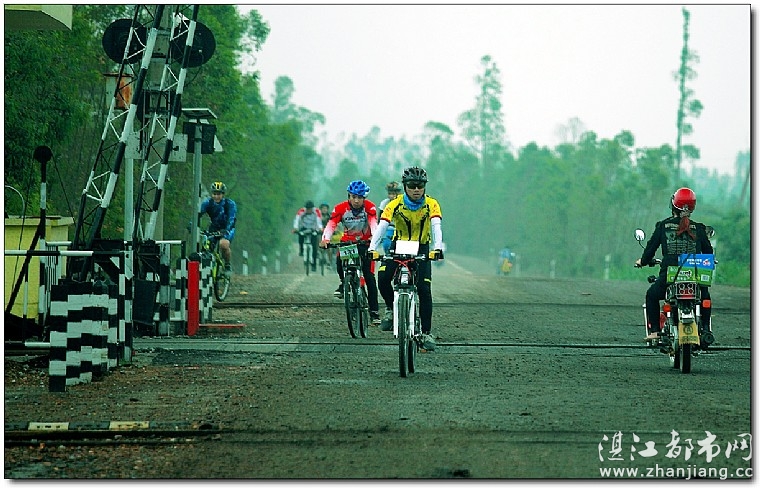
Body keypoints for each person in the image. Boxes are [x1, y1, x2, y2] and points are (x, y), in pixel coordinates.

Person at [368, 166, 444, 351]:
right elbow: (382, 226)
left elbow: (436, 226)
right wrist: (372, 248)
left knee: (424, 289)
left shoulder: (432, 204)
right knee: (383, 278)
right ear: (405, 186)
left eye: (420, 185)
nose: (416, 189)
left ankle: (426, 332)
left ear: (425, 186)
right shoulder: (394, 204)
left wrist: (437, 248)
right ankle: (391, 309)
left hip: (422, 246)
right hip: (399, 244)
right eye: (412, 185)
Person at [635, 187, 714, 343]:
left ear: (673, 205)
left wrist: (642, 261)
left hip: (670, 275)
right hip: (695, 275)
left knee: (651, 295)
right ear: (692, 208)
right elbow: (708, 253)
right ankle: (705, 329)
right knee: (705, 297)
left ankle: (655, 331)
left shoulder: (663, 226)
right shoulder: (699, 228)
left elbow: (650, 249)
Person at [320, 180, 381, 324]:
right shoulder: (340, 208)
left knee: (369, 277)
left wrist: (374, 239)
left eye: (359, 197)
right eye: (353, 197)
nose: (356, 200)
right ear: (349, 196)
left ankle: (374, 312)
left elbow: (374, 225)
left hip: (365, 243)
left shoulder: (370, 207)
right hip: (348, 242)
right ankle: (344, 283)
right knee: (339, 261)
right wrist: (325, 239)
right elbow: (331, 225)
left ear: (364, 198)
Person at [199, 181, 237, 277]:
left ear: (223, 194)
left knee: (223, 244)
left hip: (227, 228)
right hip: (214, 227)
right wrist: (192, 224)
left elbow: (231, 218)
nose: (216, 196)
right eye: (214, 194)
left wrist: (226, 230)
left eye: (219, 194)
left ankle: (227, 265)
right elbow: (198, 215)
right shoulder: (207, 203)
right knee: (206, 246)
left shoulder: (229, 204)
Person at [292, 200, 323, 271]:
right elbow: (297, 220)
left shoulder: (317, 211)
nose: (309, 210)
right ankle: (301, 250)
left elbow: (319, 221)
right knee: (300, 235)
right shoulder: (301, 211)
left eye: (310, 209)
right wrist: (295, 228)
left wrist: (320, 228)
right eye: (307, 209)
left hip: (313, 228)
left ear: (312, 208)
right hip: (304, 227)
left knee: (314, 247)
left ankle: (314, 265)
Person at [377, 181, 402, 254]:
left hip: (401, 228)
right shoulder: (385, 203)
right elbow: (380, 219)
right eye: (390, 194)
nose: (392, 196)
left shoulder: (403, 202)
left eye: (394, 194)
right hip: (389, 227)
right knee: (387, 244)